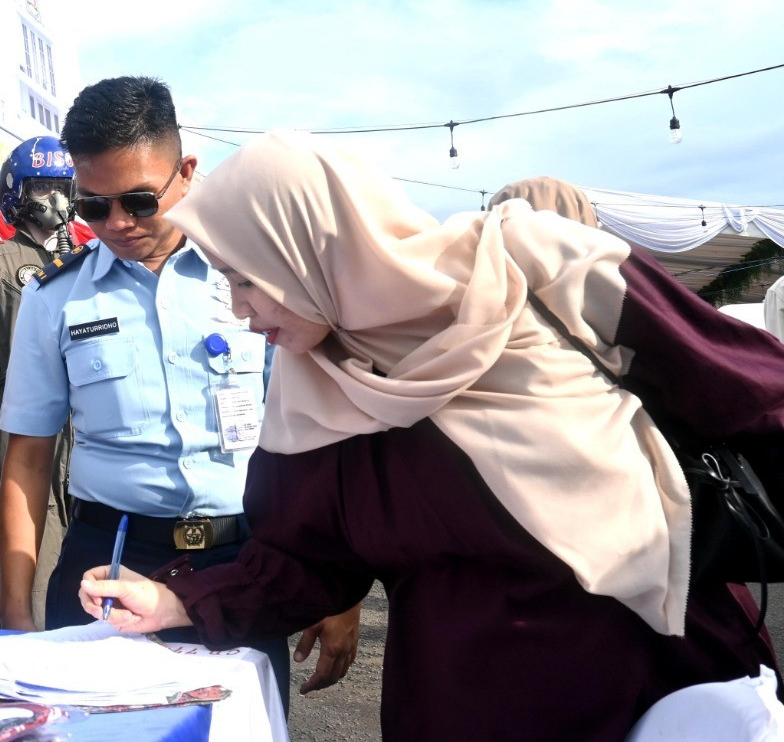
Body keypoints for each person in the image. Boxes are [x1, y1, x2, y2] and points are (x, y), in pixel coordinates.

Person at [80, 132, 783, 740]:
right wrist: (180, 602)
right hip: (467, 708)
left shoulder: (536, 267)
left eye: (247, 279)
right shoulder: (314, 386)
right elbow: (306, 560)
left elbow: (747, 390)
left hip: (668, 684)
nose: (238, 309)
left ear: (306, 245)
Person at [0, 78, 359, 704]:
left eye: (138, 201)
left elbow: (318, 434)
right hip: (105, 566)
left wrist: (338, 583)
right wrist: (14, 609)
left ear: (185, 172)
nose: (116, 224)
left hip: (243, 565)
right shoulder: (55, 297)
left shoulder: (255, 278)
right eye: (92, 207)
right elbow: (27, 459)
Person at [0, 136, 76, 627]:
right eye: (42, 186)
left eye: (61, 186)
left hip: (85, 431)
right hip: (23, 428)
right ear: (18, 192)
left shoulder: (90, 262)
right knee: (38, 559)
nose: (54, 197)